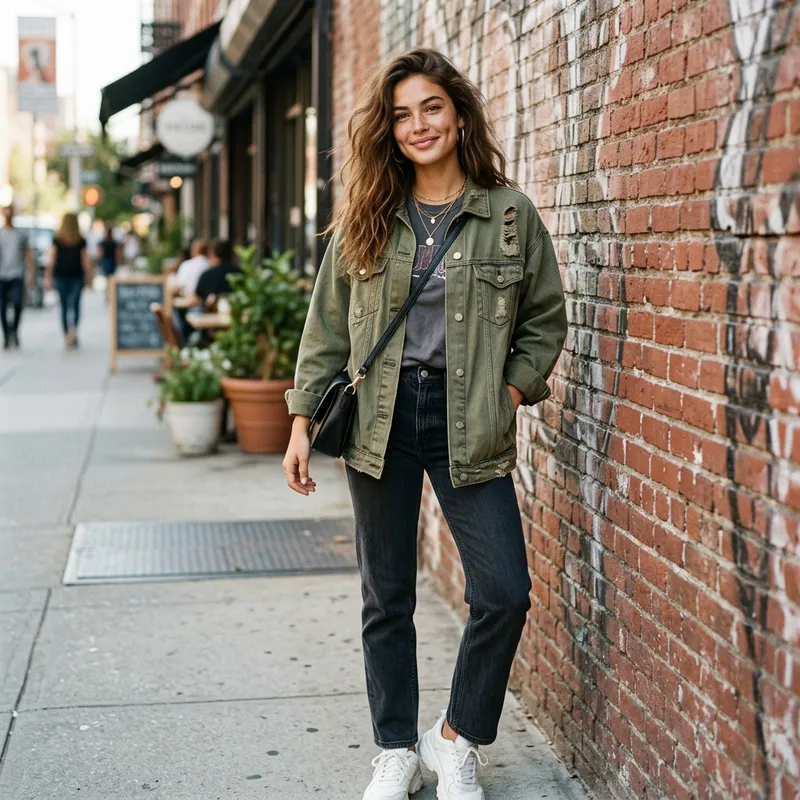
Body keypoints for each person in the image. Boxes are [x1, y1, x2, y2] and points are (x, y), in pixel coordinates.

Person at [282, 49, 567, 800]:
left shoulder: (509, 213)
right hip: (379, 417)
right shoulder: (368, 218)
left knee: (504, 589)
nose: (418, 125)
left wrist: (510, 394)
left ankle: (456, 737)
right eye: (402, 114)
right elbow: (327, 332)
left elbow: (544, 320)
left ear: (459, 112)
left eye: (431, 108)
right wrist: (302, 420)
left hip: (468, 417)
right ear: (390, 128)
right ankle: (395, 749)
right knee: (387, 594)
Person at [46, 212, 92, 348]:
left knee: (64, 306)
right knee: (75, 304)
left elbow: (51, 260)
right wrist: (89, 276)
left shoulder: (58, 239)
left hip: (62, 275)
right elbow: (86, 261)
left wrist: (48, 277)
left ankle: (67, 334)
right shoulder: (79, 240)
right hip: (76, 275)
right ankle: (73, 331)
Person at [0, 204, 35, 350]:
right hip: (2, 275)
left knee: (17, 303)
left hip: (17, 274)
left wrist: (31, 272)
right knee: (2, 307)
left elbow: (27, 255)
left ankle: (14, 330)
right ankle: (7, 335)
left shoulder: (20, 235)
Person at [192, 239, 238, 306]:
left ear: (212, 254)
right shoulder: (239, 273)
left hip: (208, 315)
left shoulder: (206, 275)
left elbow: (195, 298)